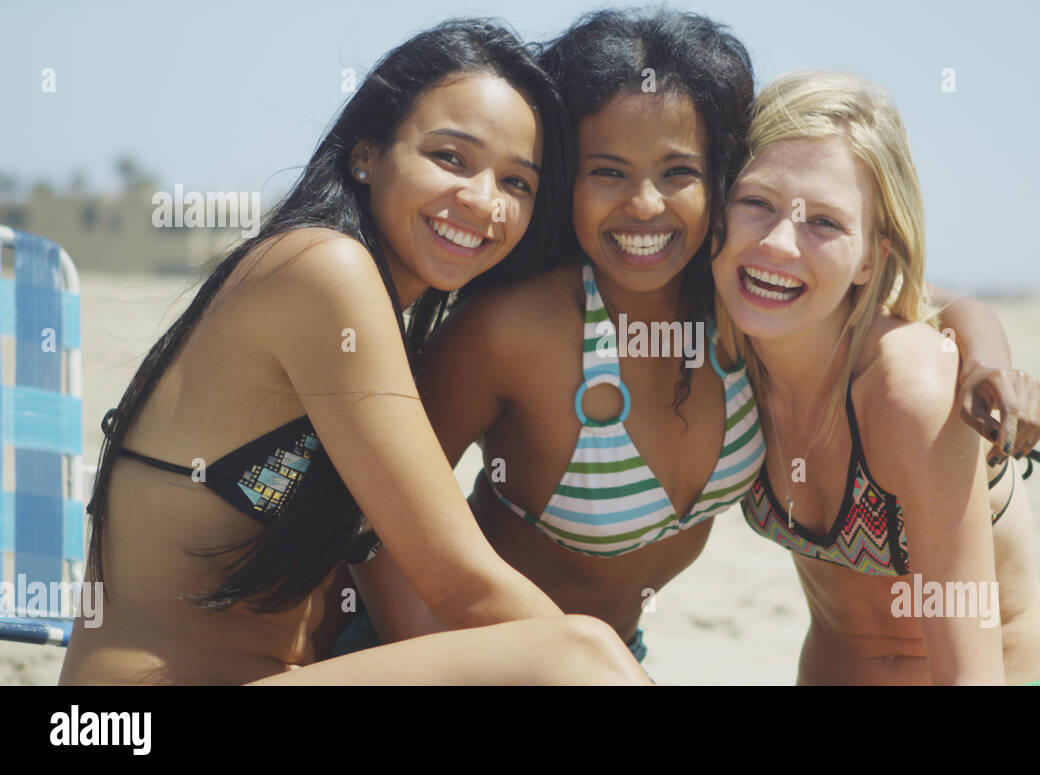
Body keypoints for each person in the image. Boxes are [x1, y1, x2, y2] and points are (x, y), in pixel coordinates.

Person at [357, 10, 1040, 676]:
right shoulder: (516, 329)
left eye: (678, 173)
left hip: (614, 662)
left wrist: (987, 359)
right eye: (607, 171)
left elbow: (917, 313)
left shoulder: (739, 310)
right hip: (464, 656)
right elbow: (373, 519)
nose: (645, 205)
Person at [59, 19, 649, 686]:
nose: (484, 201)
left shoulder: (377, 323)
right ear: (367, 153)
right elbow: (461, 582)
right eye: (451, 158)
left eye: (517, 183)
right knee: (579, 655)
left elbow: (431, 615)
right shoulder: (323, 270)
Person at [712, 69, 1040, 685]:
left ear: (872, 256)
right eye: (757, 202)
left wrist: (984, 362)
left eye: (825, 223)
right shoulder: (718, 353)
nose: (780, 243)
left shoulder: (912, 390)